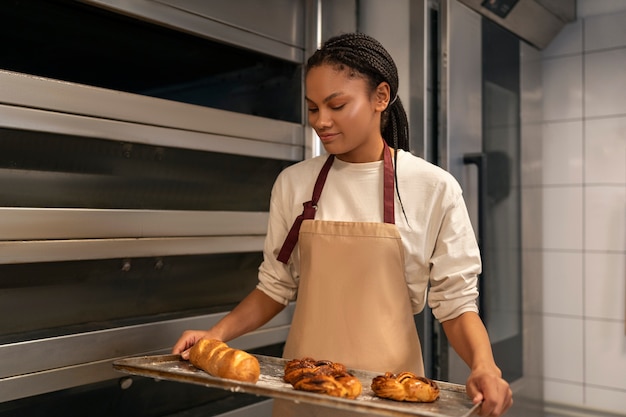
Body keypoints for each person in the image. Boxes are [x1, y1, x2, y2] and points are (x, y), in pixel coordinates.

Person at [172, 32, 513, 417]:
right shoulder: (294, 183)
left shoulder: (433, 188)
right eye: (313, 108)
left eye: (337, 105)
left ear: (380, 98)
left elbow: (455, 305)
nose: (322, 121)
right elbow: (275, 286)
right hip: (305, 390)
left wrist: (484, 366)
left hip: (391, 396)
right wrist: (215, 336)